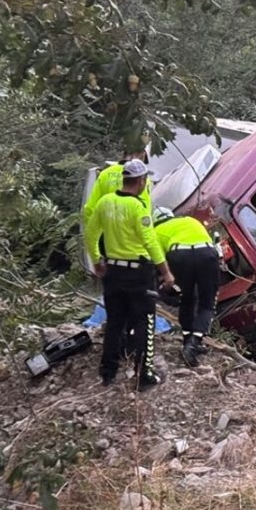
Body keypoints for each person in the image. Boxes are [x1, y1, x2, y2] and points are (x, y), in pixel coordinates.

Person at [84, 159, 175, 390]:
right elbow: (150, 241)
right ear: (142, 181)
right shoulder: (138, 208)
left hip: (113, 272)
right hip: (138, 273)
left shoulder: (104, 203)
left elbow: (91, 233)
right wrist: (165, 272)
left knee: (115, 322)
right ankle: (144, 375)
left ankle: (108, 372)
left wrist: (97, 261)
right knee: (145, 320)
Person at [152, 206, 220, 367]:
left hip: (179, 255)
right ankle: (194, 342)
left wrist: (163, 290)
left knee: (187, 299)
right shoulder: (190, 220)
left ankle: (188, 341)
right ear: (172, 216)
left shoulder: (155, 232)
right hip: (206, 253)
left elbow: (158, 263)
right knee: (207, 303)